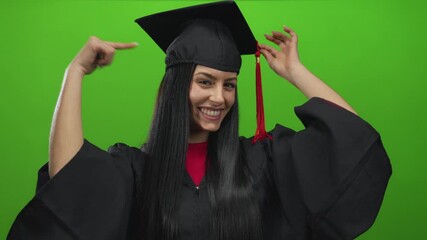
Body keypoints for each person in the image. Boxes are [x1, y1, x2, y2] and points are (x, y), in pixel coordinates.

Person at [7, 1, 391, 240]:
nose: (218, 97)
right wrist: (74, 73)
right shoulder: (137, 171)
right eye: (205, 82)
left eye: (229, 85)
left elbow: (350, 141)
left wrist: (295, 71)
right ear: (176, 86)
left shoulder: (260, 162)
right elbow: (69, 183)